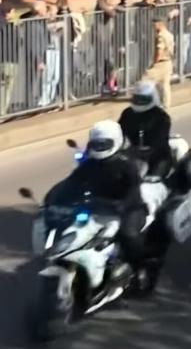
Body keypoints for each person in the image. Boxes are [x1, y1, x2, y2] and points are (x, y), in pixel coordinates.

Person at [63, 120, 150, 290]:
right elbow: (71, 182)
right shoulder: (90, 164)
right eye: (96, 144)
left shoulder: (127, 164)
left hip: (130, 209)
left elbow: (133, 189)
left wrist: (124, 204)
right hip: (98, 207)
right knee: (74, 229)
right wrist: (57, 198)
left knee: (128, 235)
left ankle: (140, 269)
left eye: (104, 144)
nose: (100, 147)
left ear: (116, 141)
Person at [118, 80, 172, 180]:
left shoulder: (161, 117)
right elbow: (118, 132)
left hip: (157, 158)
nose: (139, 102)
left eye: (143, 99)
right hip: (133, 157)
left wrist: (132, 152)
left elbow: (157, 144)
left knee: (152, 182)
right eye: (137, 98)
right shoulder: (127, 113)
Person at [146, 18, 174, 108]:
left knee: (146, 80)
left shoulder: (161, 36)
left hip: (161, 63)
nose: (153, 27)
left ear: (159, 24)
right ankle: (166, 103)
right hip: (168, 61)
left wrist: (154, 62)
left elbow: (159, 51)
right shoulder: (169, 34)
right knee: (165, 84)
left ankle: (145, 102)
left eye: (154, 25)